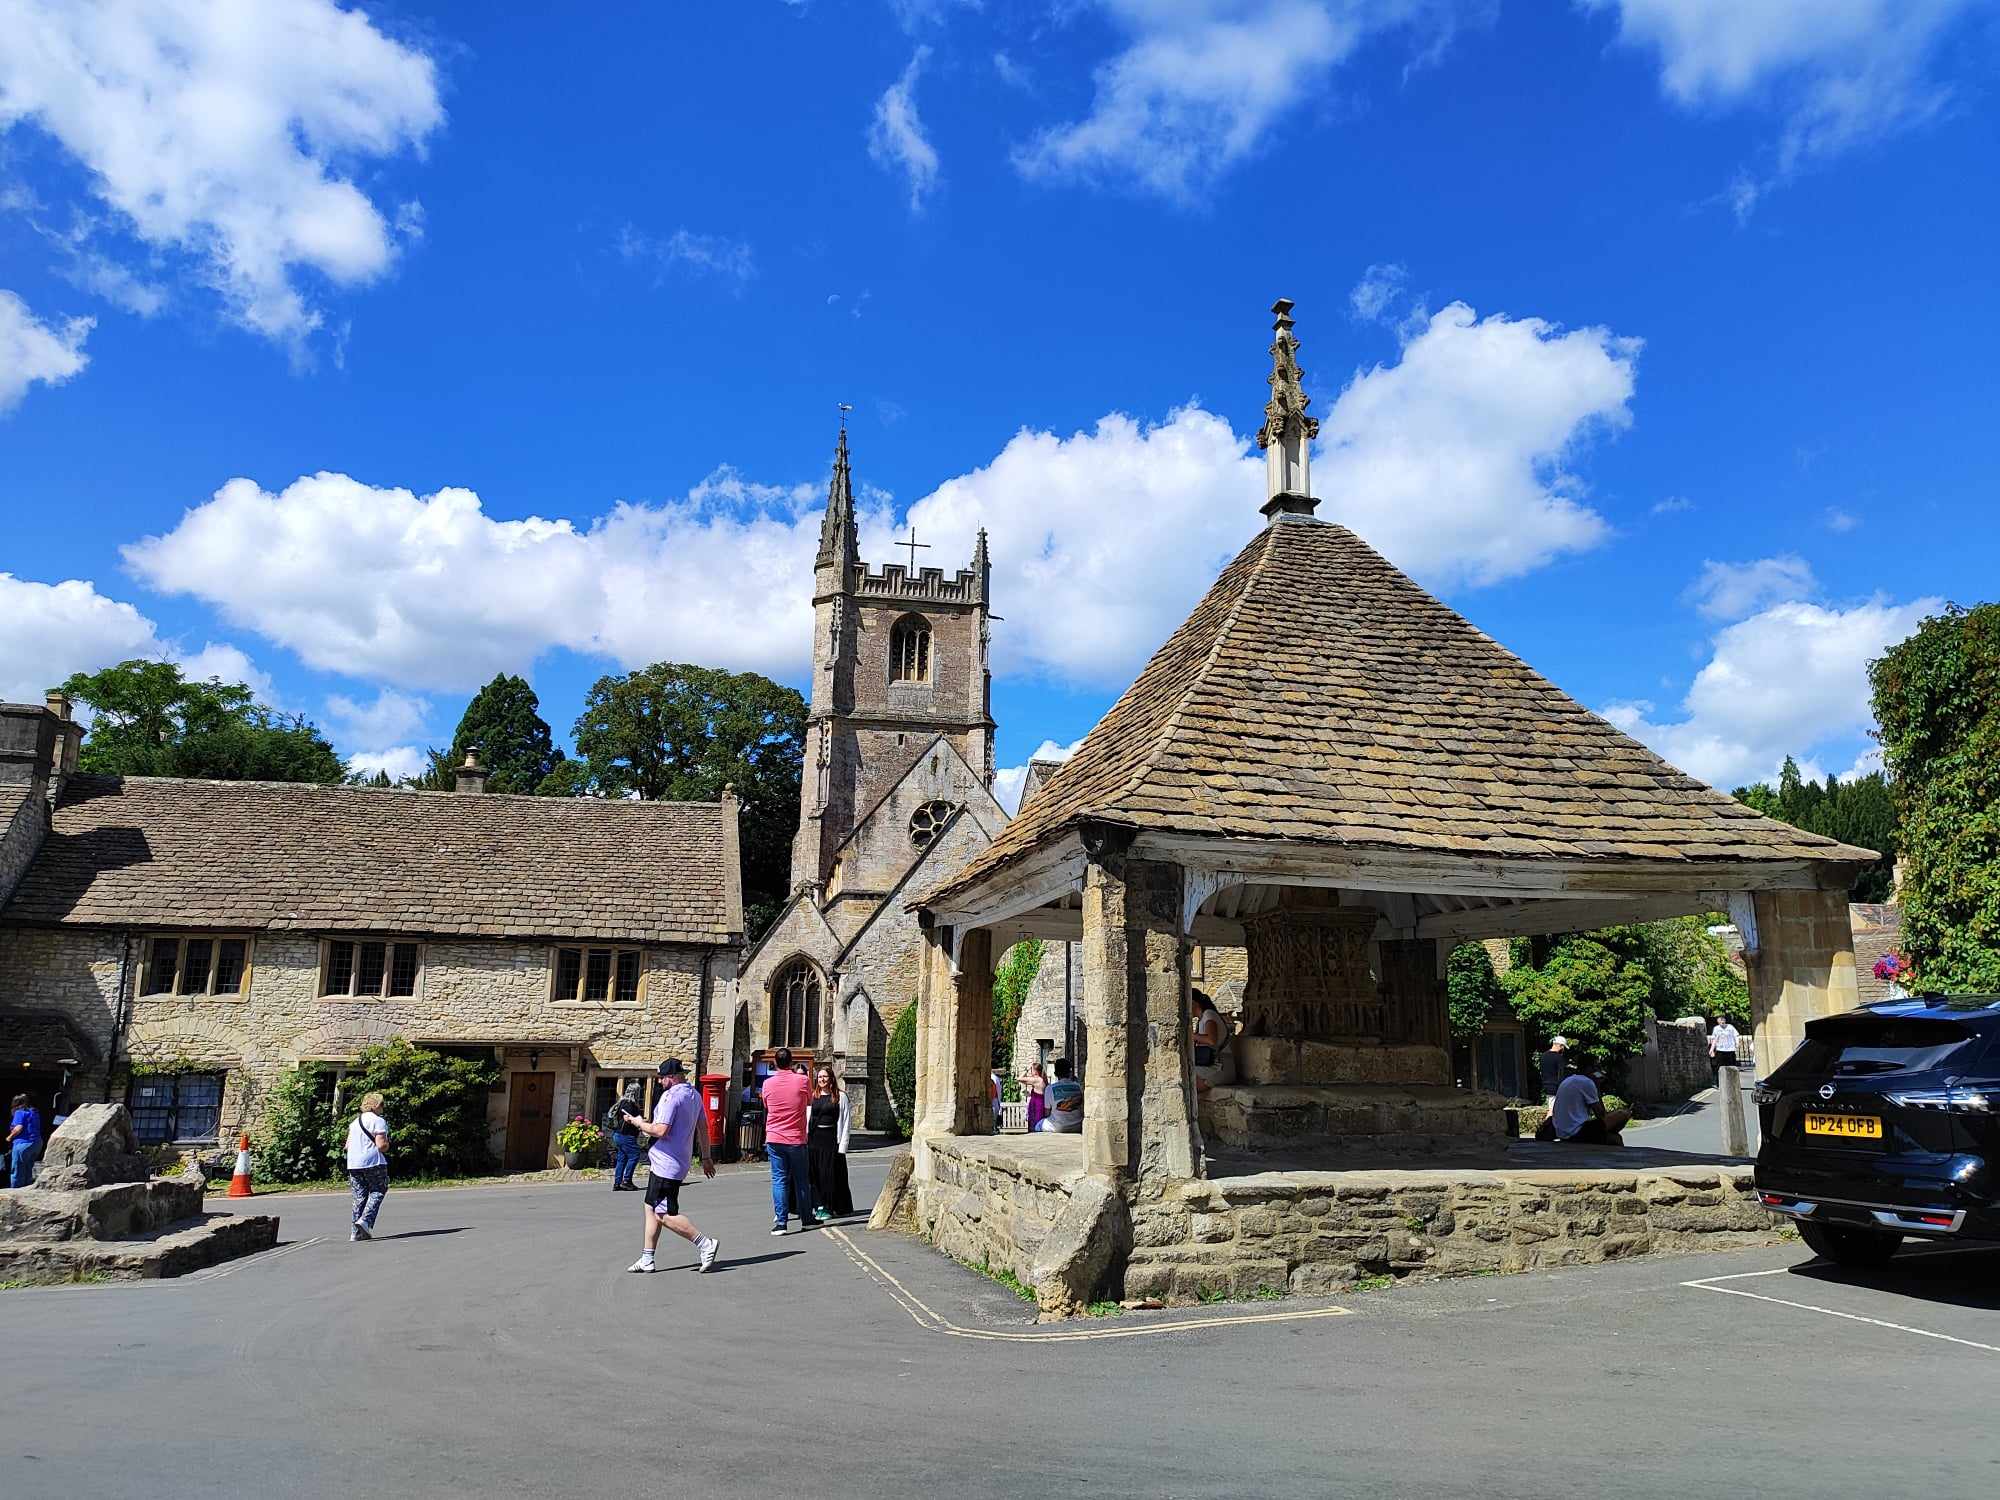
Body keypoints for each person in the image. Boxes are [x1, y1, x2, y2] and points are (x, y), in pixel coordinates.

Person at [625, 1058, 718, 1274]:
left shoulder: (671, 1096)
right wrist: (706, 1157)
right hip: (676, 1160)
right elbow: (703, 1127)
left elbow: (660, 1130)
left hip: (666, 1163)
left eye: (662, 1078)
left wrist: (638, 1123)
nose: (659, 1082)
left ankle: (705, 1244)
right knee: (650, 1207)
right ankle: (647, 1258)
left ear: (673, 1077)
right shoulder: (694, 1095)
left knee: (662, 1213)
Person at [761, 1046, 814, 1234]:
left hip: (774, 1136)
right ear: (791, 1062)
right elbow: (809, 1102)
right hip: (796, 1138)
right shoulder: (802, 1080)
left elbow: (766, 1105)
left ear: (775, 1063)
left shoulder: (767, 1084)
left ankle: (781, 1222)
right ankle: (807, 1218)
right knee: (801, 1179)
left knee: (779, 1180)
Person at [1537, 1061, 1631, 1145]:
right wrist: (1597, 1087)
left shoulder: (1567, 1080)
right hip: (1577, 1132)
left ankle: (1604, 1134)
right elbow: (1601, 1114)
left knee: (1614, 1138)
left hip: (1561, 1131)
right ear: (1590, 1069)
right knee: (1624, 1114)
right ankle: (1605, 1134)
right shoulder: (1587, 1082)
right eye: (1595, 1068)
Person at [806, 1064, 853, 1222]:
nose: (822, 1079)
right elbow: (808, 1118)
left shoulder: (841, 1097)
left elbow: (846, 1122)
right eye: (819, 1077)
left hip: (831, 1139)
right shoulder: (813, 1096)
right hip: (814, 1140)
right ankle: (819, 1205)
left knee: (829, 1175)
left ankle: (828, 1207)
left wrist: (843, 1146)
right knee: (815, 1174)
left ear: (831, 1078)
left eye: (825, 1076)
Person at [345, 1091, 391, 1241]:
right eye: (382, 1105)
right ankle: (365, 1221)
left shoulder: (354, 1122)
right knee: (378, 1189)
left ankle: (354, 1232)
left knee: (359, 1196)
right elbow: (381, 1145)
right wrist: (388, 1145)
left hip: (353, 1163)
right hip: (373, 1162)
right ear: (376, 1105)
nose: (383, 1108)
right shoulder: (378, 1121)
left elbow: (347, 1146)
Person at [604, 1085, 644, 1191]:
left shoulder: (621, 1102)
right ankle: (626, 1181)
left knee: (622, 1158)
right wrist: (640, 1122)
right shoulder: (630, 1105)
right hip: (626, 1136)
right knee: (634, 1155)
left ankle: (617, 1183)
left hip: (618, 1135)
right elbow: (628, 1119)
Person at [1192, 992, 1226, 1095]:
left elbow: (1211, 1040)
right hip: (1211, 1064)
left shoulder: (1209, 1015)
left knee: (1186, 1079)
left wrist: (1192, 1036)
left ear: (1193, 1003)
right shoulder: (1202, 1019)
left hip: (1219, 1067)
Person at [7, 1093, 44, 1189]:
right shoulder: (35, 1112)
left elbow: (19, 1127)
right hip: (36, 1143)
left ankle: (15, 1193)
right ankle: (27, 1190)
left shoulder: (20, 1112)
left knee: (17, 1171)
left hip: (23, 1143)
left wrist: (10, 1137)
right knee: (28, 1168)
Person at [1039, 1058, 1082, 1132]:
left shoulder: (1050, 1088)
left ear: (1055, 1073)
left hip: (1058, 1126)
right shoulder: (1078, 1086)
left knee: (1038, 1125)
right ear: (1070, 1072)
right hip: (1078, 1125)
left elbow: (1047, 1113)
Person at [1537, 1035, 1568, 1100]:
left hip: (1546, 1086)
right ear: (1561, 1046)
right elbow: (1561, 1074)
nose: (1563, 1049)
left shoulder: (1543, 1056)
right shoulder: (1559, 1058)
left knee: (1550, 1105)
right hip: (1556, 1088)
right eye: (1563, 1047)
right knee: (1554, 1108)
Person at [1023, 1060, 1048, 1134]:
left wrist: (1026, 1069)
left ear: (1035, 1071)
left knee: (1035, 1123)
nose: (1031, 1072)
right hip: (1041, 1102)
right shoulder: (1043, 1079)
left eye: (1032, 1070)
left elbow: (1019, 1078)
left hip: (1036, 1104)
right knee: (1039, 1121)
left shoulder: (1036, 1080)